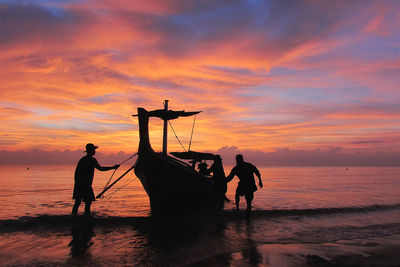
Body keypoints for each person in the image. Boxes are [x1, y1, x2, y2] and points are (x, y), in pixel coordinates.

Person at [72, 143, 119, 217]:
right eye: (93, 150)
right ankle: (87, 218)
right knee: (88, 203)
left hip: (79, 184)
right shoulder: (91, 160)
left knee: (77, 203)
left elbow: (76, 173)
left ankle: (73, 218)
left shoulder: (82, 159)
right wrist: (113, 167)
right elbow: (100, 169)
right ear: (90, 151)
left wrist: (77, 183)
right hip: (86, 185)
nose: (95, 151)